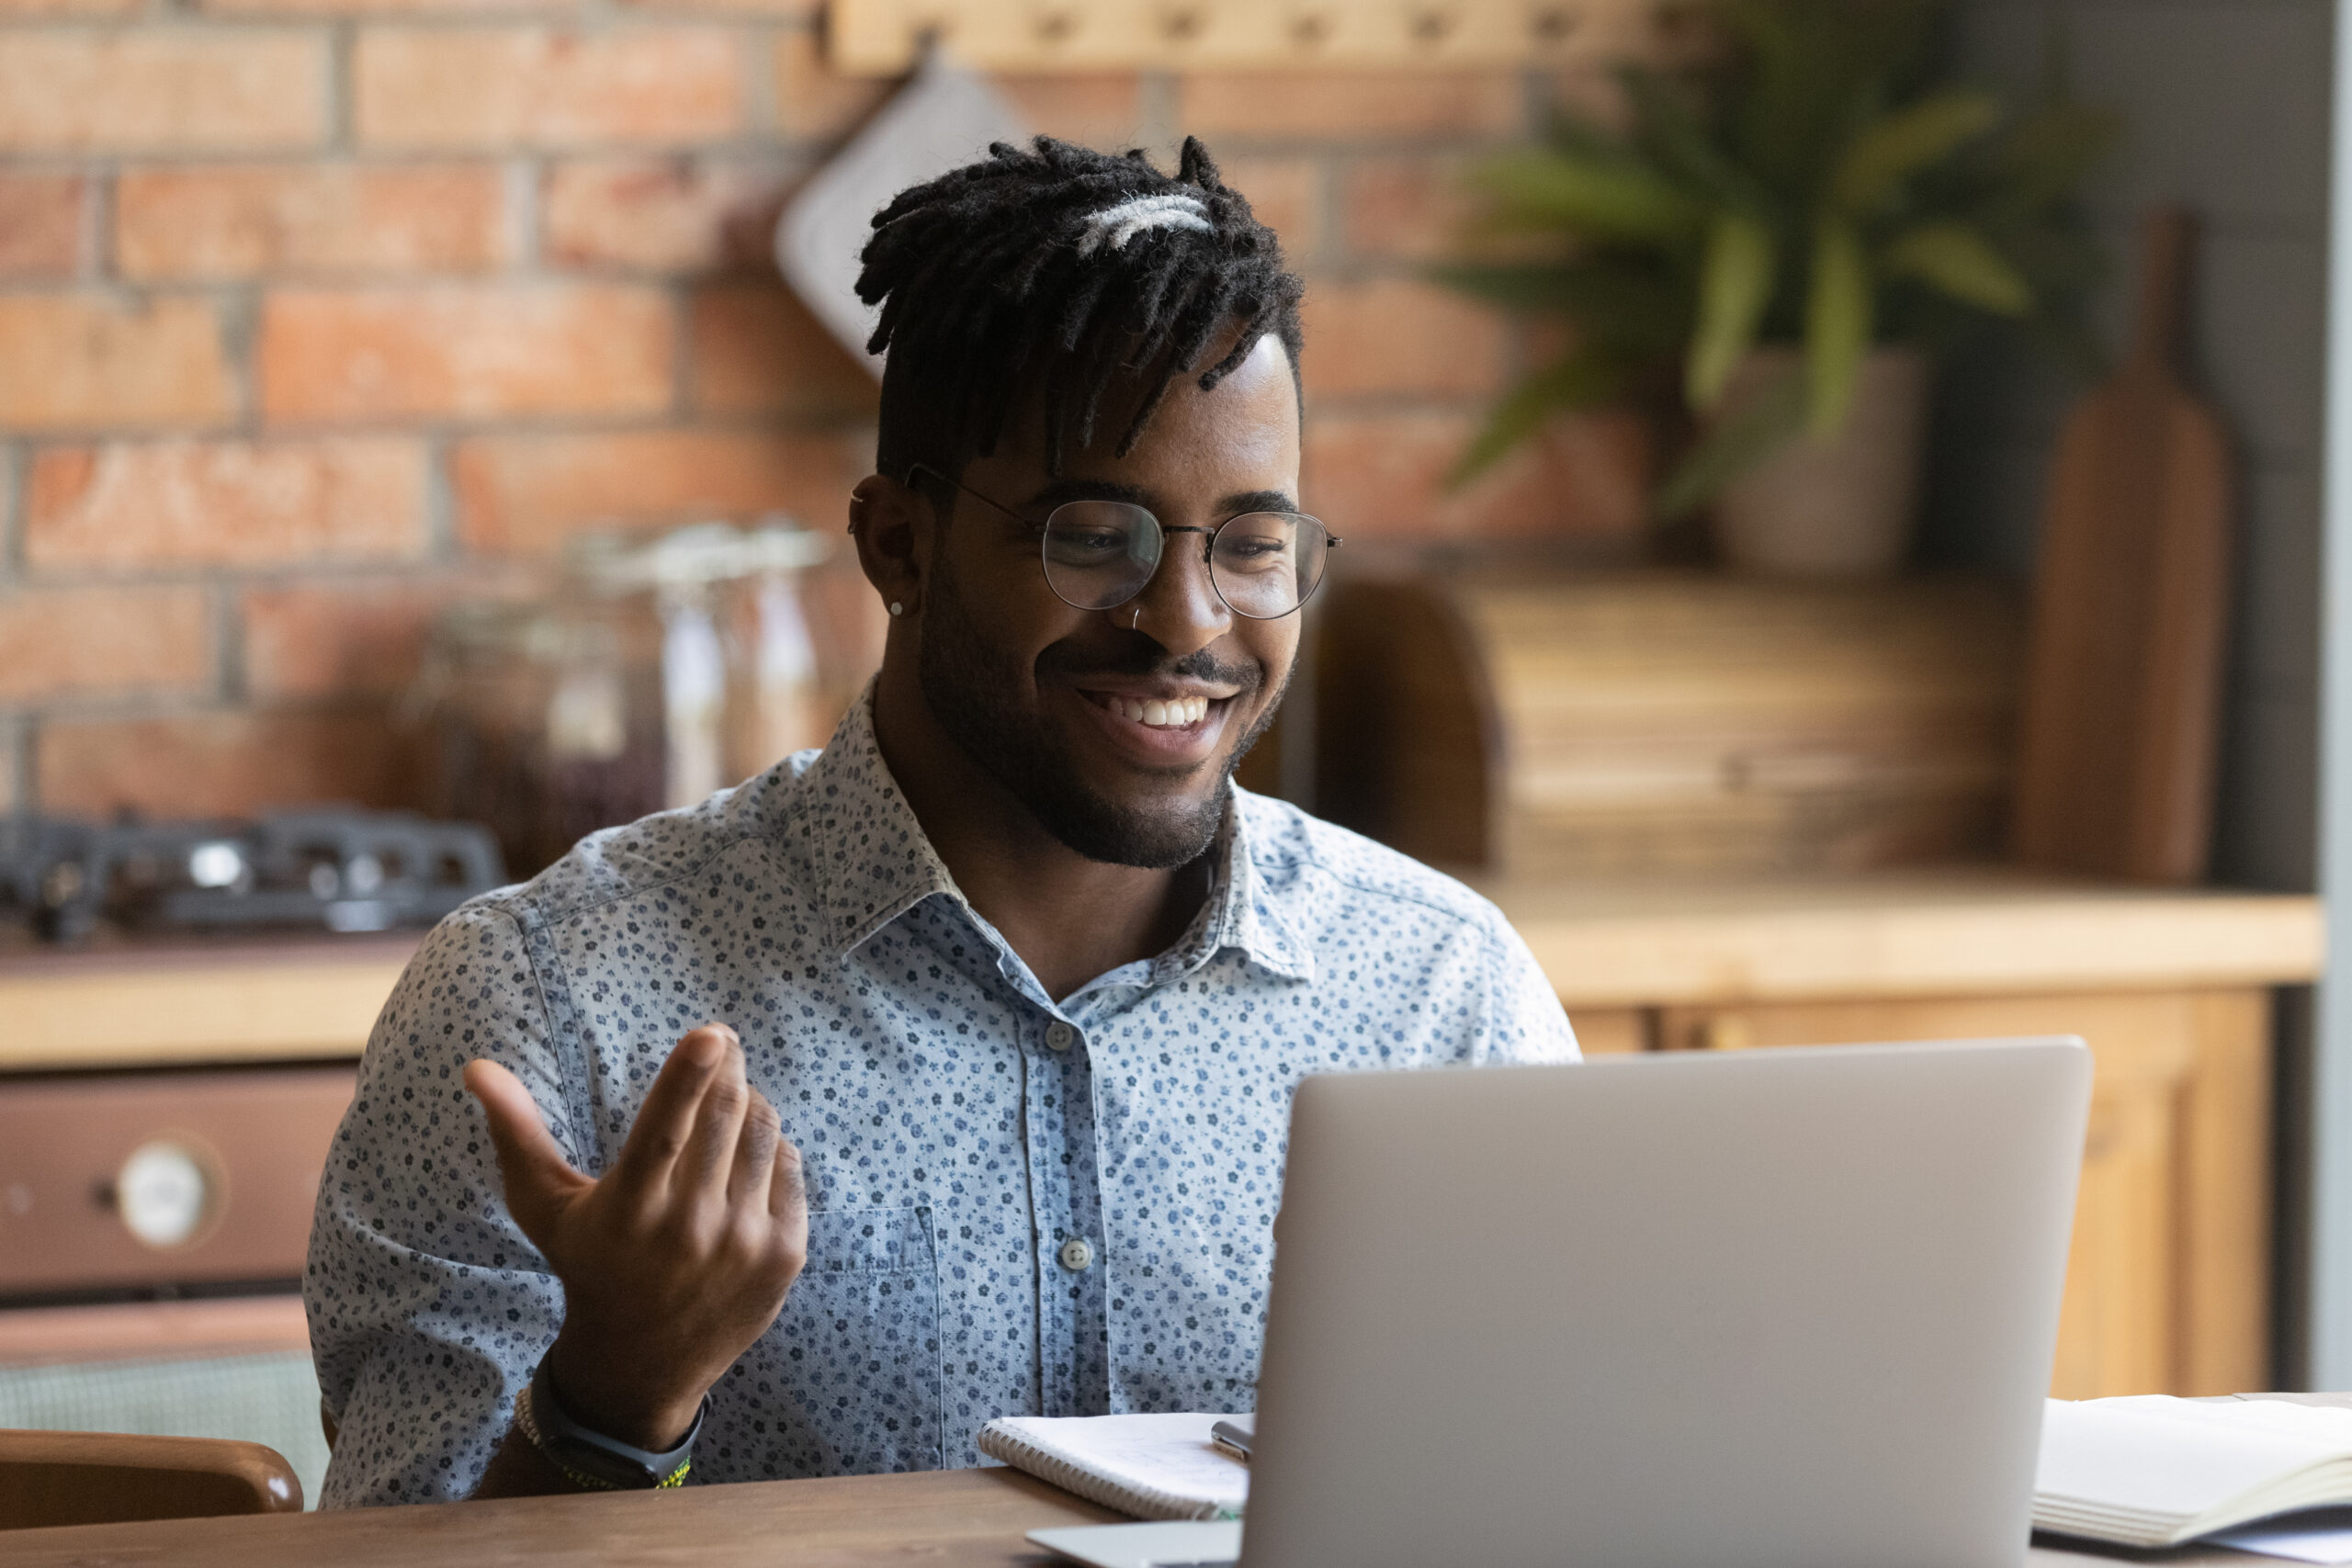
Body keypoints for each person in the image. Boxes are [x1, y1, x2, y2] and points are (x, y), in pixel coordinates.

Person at [304, 136, 1578, 1507]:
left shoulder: (1443, 1000)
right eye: (1095, 537)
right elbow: (403, 1547)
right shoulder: (555, 1004)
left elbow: (1590, 1483)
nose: (1188, 624)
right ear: (896, 544)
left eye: (1252, 546)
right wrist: (612, 1399)